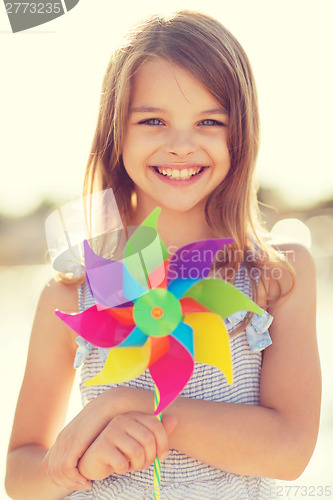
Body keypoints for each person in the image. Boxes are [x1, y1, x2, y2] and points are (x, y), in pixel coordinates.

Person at [5, 10, 321, 500]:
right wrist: (80, 463)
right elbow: (21, 476)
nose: (181, 145)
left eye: (209, 121)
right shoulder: (73, 290)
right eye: (152, 120)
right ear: (117, 132)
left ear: (242, 134)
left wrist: (129, 404)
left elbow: (290, 449)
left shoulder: (276, 277)